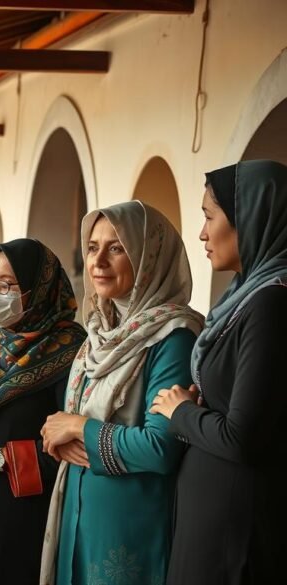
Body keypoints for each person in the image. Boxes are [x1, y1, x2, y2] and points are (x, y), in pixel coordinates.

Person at [39, 201, 204, 585]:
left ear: (148, 256)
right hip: (79, 518)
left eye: (116, 248)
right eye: (93, 247)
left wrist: (80, 428)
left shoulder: (173, 337)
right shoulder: (97, 334)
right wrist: (59, 437)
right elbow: (67, 426)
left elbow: (160, 447)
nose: (98, 262)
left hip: (130, 529)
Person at [152, 160, 287, 585]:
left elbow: (242, 437)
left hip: (237, 531)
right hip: (216, 520)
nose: (202, 233)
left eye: (210, 216)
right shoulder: (247, 295)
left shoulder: (272, 304)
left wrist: (182, 413)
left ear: (251, 218)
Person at [0, 239, 86, 585]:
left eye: (7, 284)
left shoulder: (72, 353)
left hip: (30, 524)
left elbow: (73, 456)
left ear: (39, 288)